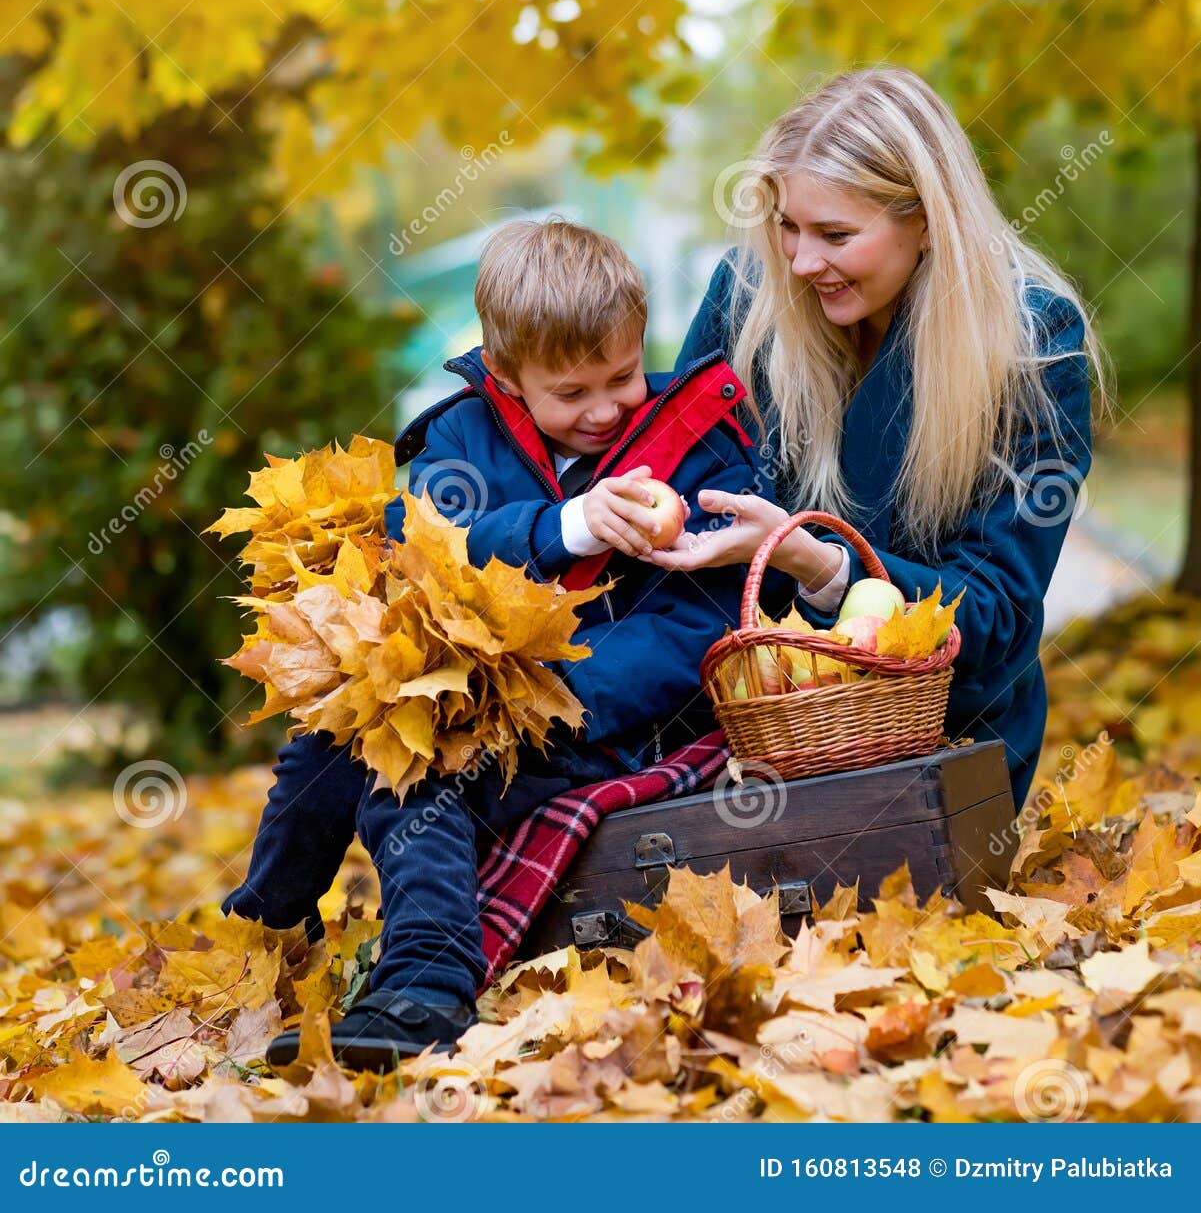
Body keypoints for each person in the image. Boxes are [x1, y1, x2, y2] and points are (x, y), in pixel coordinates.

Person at [221, 218, 758, 1069]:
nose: (603, 408)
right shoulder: (462, 438)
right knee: (334, 740)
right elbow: (427, 550)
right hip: (463, 684)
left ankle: (428, 986)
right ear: (507, 378)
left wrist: (548, 690)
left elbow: (704, 619)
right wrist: (561, 528)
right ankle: (268, 918)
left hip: (611, 716)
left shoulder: (695, 444)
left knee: (414, 777)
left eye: (620, 376)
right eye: (569, 393)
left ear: (641, 339)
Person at [649, 66, 1105, 812]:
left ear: (925, 219)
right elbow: (671, 479)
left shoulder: (1028, 345)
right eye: (787, 228)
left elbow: (991, 612)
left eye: (835, 235)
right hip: (750, 722)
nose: (800, 262)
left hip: (938, 736)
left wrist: (819, 564)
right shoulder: (749, 296)